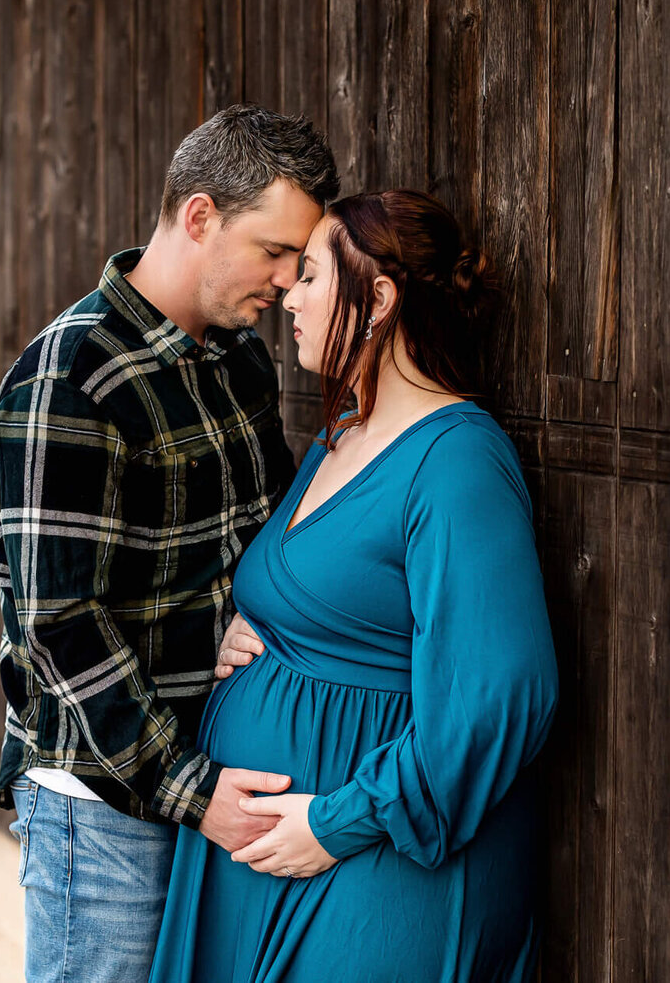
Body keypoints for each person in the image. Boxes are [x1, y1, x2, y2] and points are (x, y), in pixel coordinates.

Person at [149, 189, 560, 982]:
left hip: (378, 860)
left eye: (309, 277)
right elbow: (325, 597)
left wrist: (338, 822)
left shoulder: (457, 460)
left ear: (377, 298)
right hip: (276, 860)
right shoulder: (342, 433)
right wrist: (244, 626)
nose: (288, 298)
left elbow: (503, 695)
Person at [0, 104, 341, 983]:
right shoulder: (70, 379)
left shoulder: (241, 363)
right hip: (105, 810)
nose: (291, 281)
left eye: (303, 260)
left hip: (217, 774)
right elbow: (59, 625)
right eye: (274, 252)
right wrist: (191, 790)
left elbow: (260, 539)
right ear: (199, 217)